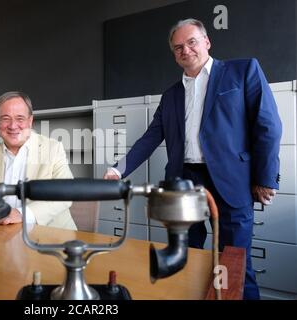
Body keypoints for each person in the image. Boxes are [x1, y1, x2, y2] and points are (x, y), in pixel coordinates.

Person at [104, 18, 282, 299]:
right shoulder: (171, 96)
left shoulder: (243, 71)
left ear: (207, 42)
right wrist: (117, 170)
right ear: (174, 55)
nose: (185, 50)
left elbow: (268, 126)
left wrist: (265, 178)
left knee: (235, 265)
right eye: (178, 48)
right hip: (184, 183)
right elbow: (150, 138)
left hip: (232, 184)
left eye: (191, 42)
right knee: (185, 258)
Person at [0, 91, 77, 230]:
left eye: (20, 118)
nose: (12, 125)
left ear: (30, 121)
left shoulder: (53, 149)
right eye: (5, 118)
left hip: (51, 239)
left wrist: (21, 214)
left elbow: (66, 193)